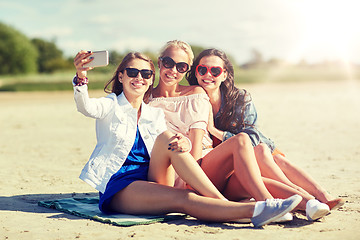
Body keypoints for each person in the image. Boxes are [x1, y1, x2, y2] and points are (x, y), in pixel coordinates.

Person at [72, 50, 302, 228]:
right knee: (185, 198)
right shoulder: (109, 105)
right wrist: (81, 77)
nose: (138, 78)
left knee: (170, 139)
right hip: (122, 184)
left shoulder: (153, 113)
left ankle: (228, 206)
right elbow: (86, 107)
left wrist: (186, 144)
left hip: (153, 177)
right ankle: (252, 211)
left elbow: (166, 147)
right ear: (121, 76)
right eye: (132, 72)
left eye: (145, 74)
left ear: (151, 79)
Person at [149, 40, 332, 222]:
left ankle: (310, 203)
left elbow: (199, 143)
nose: (173, 70)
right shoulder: (146, 98)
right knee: (249, 159)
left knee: (249, 165)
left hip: (204, 165)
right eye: (168, 63)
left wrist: (196, 169)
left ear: (186, 69)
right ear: (159, 62)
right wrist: (191, 180)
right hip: (178, 169)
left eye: (180, 66)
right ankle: (269, 203)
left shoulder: (196, 93)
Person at [185, 48, 344, 216]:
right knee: (262, 155)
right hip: (230, 161)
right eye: (202, 69)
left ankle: (319, 196)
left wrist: (215, 131)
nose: (208, 74)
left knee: (266, 153)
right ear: (196, 71)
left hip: (252, 148)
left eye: (215, 70)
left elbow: (252, 137)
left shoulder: (239, 97)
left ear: (224, 75)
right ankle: (306, 199)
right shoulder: (191, 99)